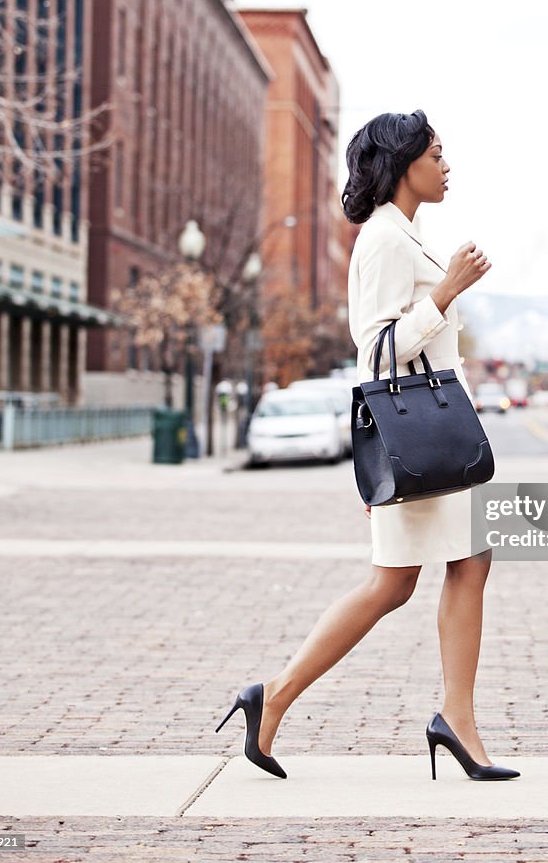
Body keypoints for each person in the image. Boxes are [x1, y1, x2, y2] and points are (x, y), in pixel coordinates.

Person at [216, 110, 518, 782]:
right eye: (437, 154)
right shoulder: (383, 241)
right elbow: (377, 352)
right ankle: (285, 698)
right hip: (422, 437)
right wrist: (445, 292)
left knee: (437, 571)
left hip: (433, 440)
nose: (446, 166)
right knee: (402, 581)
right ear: (405, 162)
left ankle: (447, 718)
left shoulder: (404, 237)